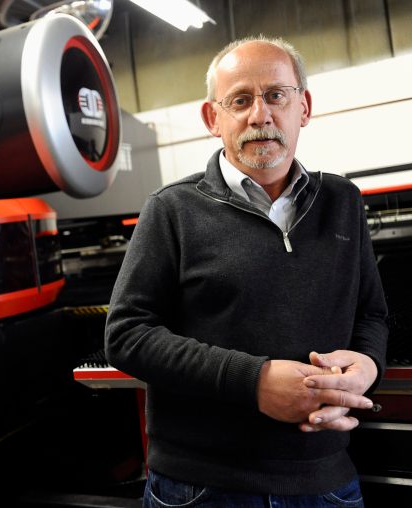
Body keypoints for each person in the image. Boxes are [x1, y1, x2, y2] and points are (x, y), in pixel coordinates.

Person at [105, 35, 388, 507]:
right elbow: (127, 335)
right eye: (240, 100)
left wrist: (367, 367)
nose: (260, 115)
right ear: (213, 119)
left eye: (276, 95)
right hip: (201, 489)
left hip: (326, 483)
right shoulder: (172, 209)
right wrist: (253, 381)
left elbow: (372, 315)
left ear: (304, 107)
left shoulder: (342, 202)